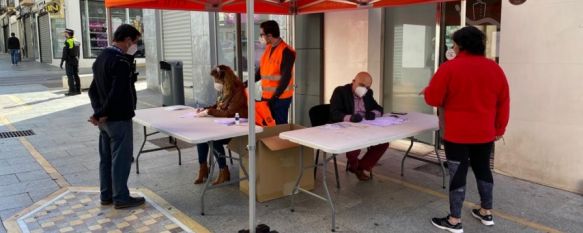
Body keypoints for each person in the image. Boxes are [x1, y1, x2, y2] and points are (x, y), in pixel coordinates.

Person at [423, 26, 510, 233]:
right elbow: (504, 102)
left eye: (454, 43)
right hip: (485, 133)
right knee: (483, 169)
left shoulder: (449, 68)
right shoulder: (495, 69)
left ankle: (454, 220)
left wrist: (427, 90)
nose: (452, 46)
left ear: (460, 45)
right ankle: (486, 211)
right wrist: (500, 128)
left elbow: (433, 98)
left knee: (457, 173)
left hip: (457, 134)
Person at [88, 24, 144, 209]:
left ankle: (107, 195)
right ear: (127, 40)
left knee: (106, 159)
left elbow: (93, 90)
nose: (134, 45)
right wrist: (102, 113)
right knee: (121, 159)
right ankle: (121, 197)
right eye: (134, 42)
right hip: (118, 118)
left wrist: (98, 113)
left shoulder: (102, 57)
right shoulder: (120, 61)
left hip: (105, 121)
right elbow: (117, 92)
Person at [194, 65, 248, 185]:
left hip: (237, 125)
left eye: (216, 81)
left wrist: (209, 112)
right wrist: (206, 109)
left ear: (224, 80)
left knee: (213, 140)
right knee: (201, 136)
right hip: (225, 124)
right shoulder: (226, 89)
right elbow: (219, 105)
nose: (215, 83)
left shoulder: (237, 90)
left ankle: (224, 170)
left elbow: (229, 113)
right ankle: (203, 168)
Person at [330, 72, 389, 181]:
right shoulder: (340, 92)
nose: (364, 89)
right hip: (348, 127)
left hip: (365, 126)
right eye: (361, 85)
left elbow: (379, 108)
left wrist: (373, 113)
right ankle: (355, 166)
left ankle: (360, 167)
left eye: (367, 87)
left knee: (384, 141)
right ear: (353, 82)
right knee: (356, 142)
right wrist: (350, 117)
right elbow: (334, 113)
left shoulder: (368, 93)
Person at [256, 20, 295, 125]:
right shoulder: (268, 48)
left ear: (269, 35)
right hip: (266, 97)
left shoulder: (286, 51)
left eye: (262, 34)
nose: (260, 37)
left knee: (279, 127)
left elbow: (285, 78)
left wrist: (275, 97)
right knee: (268, 127)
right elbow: (261, 71)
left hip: (280, 98)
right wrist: (246, 83)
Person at [61, 29, 81, 96]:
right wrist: (78, 60)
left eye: (65, 33)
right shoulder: (77, 41)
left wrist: (62, 61)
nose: (64, 34)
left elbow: (65, 53)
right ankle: (78, 90)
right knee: (76, 75)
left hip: (69, 61)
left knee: (70, 76)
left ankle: (72, 91)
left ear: (68, 34)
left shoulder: (68, 41)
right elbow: (78, 53)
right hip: (76, 60)